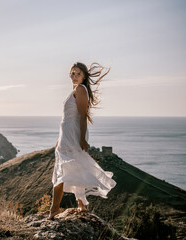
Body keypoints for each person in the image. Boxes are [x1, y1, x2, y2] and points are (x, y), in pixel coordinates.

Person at [47, 62, 117, 220]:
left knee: (62, 170)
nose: (74, 76)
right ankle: (81, 205)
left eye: (78, 74)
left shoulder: (80, 89)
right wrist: (59, 140)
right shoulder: (76, 90)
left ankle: (54, 209)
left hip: (73, 135)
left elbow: (83, 116)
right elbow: (67, 118)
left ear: (84, 76)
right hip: (67, 135)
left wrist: (82, 139)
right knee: (74, 167)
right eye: (72, 73)